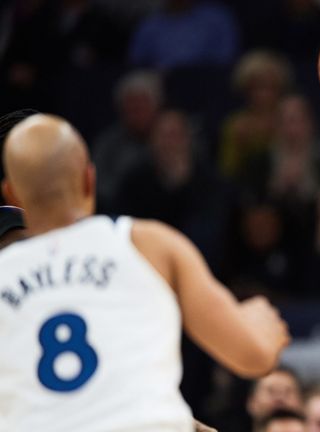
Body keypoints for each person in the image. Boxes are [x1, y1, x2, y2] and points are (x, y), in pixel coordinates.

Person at [0, 114, 291, 431]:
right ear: (89, 179)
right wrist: (259, 321)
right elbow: (253, 357)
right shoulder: (147, 244)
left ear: (12, 193)